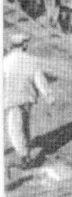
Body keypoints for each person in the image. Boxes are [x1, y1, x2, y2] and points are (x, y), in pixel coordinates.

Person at [3, 33, 54, 170]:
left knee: (15, 129)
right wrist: (48, 95)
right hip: (27, 98)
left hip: (11, 99)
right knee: (25, 126)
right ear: (24, 45)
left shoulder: (5, 62)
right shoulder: (32, 60)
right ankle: (27, 151)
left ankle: (25, 157)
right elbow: (39, 79)